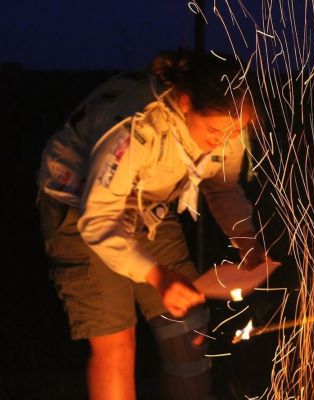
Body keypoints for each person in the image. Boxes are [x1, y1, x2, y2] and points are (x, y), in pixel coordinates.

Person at [37, 49, 271, 400]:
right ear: (186, 102)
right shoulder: (137, 129)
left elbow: (221, 186)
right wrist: (157, 275)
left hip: (149, 203)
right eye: (214, 131)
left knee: (188, 326)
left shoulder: (230, 123)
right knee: (116, 340)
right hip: (81, 202)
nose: (225, 142)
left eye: (234, 133)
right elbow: (98, 219)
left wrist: (248, 242)